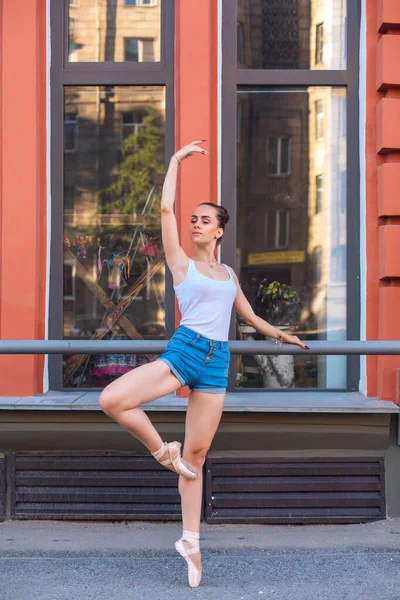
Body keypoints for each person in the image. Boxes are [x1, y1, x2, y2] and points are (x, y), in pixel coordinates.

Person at [98, 140, 308, 588]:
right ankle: (160, 451)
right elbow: (165, 215)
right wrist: (175, 162)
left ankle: (190, 542)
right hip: (185, 351)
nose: (195, 223)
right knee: (113, 398)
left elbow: (247, 316)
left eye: (204, 220)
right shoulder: (181, 265)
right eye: (193, 219)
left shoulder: (228, 274)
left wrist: (279, 335)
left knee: (196, 456)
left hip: (217, 362)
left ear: (219, 231)